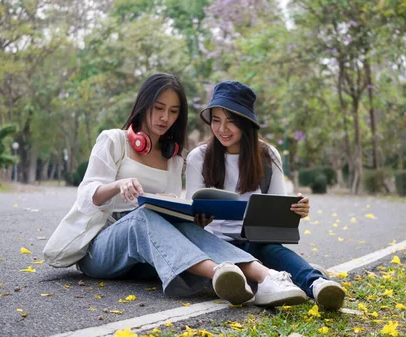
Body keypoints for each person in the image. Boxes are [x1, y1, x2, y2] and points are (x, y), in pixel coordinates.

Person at [44, 73, 305, 306]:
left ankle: (267, 277)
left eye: (173, 111)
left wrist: (194, 218)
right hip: (101, 248)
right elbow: (86, 196)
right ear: (143, 105)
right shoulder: (114, 140)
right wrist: (117, 185)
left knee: (180, 225)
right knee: (142, 217)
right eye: (158, 108)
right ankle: (219, 273)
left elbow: (171, 211)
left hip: (143, 258)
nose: (164, 117)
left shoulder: (173, 158)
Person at [185, 81, 346, 310]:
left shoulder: (267, 156)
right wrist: (199, 221)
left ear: (247, 123)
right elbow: (190, 212)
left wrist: (297, 211)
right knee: (255, 256)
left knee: (270, 249)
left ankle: (319, 284)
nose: (222, 129)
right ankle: (292, 275)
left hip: (255, 241)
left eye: (231, 121)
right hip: (213, 243)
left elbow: (277, 213)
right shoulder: (198, 158)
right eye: (216, 120)